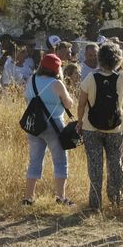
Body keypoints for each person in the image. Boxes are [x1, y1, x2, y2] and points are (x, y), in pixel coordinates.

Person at [77, 43, 123, 210]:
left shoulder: (90, 78)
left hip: (91, 127)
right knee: (116, 164)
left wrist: (80, 122)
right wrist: (119, 58)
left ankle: (95, 204)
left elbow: (81, 104)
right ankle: (116, 200)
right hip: (115, 128)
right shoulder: (121, 78)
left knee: (95, 166)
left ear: (100, 59)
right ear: (116, 60)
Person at [23, 53, 78, 207]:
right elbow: (68, 104)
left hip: (34, 125)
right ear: (57, 69)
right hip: (54, 125)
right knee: (60, 161)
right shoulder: (57, 84)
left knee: (35, 160)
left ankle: (28, 197)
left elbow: (27, 99)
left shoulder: (32, 79)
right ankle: (61, 197)